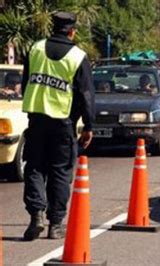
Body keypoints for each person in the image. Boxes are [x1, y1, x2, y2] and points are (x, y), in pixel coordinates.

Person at [21, 11, 95, 241]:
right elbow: (86, 95)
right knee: (60, 171)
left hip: (37, 119)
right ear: (72, 31)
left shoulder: (36, 49)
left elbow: (26, 83)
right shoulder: (77, 56)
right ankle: (55, 224)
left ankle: (36, 216)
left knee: (34, 167)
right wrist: (89, 126)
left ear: (52, 28)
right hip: (63, 123)